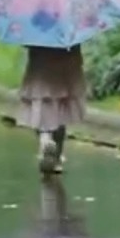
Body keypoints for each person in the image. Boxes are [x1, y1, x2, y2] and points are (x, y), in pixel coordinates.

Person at [18, 44, 86, 175]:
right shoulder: (68, 28)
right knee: (61, 114)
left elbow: (27, 44)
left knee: (42, 109)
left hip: (41, 71)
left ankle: (45, 139)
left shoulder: (36, 28)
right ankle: (57, 157)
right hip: (65, 72)